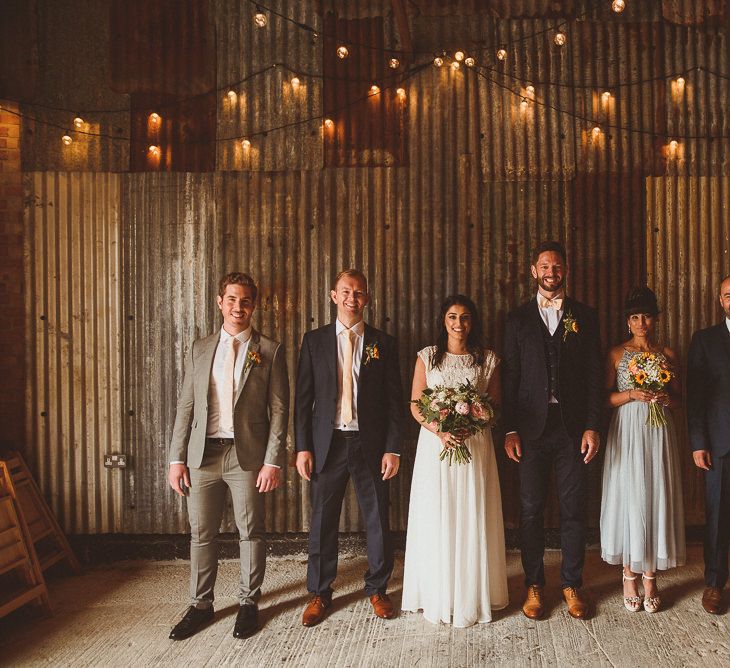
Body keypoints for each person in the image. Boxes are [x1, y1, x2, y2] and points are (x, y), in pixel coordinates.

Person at [167, 272, 289, 640]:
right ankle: (201, 606)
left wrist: (273, 460)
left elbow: (280, 410)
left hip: (246, 456)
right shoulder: (200, 348)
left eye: (246, 300)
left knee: (250, 532)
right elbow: (186, 405)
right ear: (220, 302)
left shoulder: (269, 350)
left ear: (255, 305)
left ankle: (248, 603)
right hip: (202, 455)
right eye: (232, 299)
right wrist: (176, 458)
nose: (239, 307)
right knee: (201, 534)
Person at [294, 269, 403, 626]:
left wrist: (393, 448)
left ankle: (377, 588)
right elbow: (303, 400)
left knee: (377, 520)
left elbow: (393, 402)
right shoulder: (314, 341)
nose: (352, 298)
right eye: (346, 291)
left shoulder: (382, 343)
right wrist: (303, 447)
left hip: (369, 444)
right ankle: (320, 593)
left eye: (359, 292)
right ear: (333, 295)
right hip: (328, 444)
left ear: (367, 298)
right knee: (323, 521)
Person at [502, 240, 603, 620]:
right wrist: (509, 428)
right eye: (544, 266)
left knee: (574, 509)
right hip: (530, 431)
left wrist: (593, 426)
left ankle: (571, 584)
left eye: (557, 266)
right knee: (530, 510)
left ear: (565, 270)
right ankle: (534, 585)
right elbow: (509, 378)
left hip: (572, 430)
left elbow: (595, 375)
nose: (551, 273)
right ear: (533, 271)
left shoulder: (586, 316)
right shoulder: (516, 320)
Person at [401, 295, 508, 627]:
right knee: (439, 513)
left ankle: (471, 593)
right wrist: (440, 430)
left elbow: (495, 407)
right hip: (437, 448)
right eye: (452, 317)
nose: (458, 323)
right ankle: (439, 592)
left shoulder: (486, 360)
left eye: (464, 317)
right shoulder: (428, 357)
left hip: (474, 446)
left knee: (471, 511)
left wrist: (474, 420)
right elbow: (416, 404)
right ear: (443, 321)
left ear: (472, 321)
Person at [600, 286, 685, 614]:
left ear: (655, 319)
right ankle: (629, 575)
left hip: (658, 430)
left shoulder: (668, 354)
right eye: (634, 316)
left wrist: (666, 399)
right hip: (628, 430)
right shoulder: (617, 354)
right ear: (627, 321)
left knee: (655, 494)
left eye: (646, 316)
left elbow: (680, 399)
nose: (640, 322)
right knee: (631, 495)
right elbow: (605, 398)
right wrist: (631, 395)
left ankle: (651, 577)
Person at [687, 275, 730, 615]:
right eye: (728, 295)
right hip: (720, 442)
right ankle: (715, 584)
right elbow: (696, 397)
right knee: (717, 516)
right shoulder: (704, 340)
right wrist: (699, 442)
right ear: (720, 300)